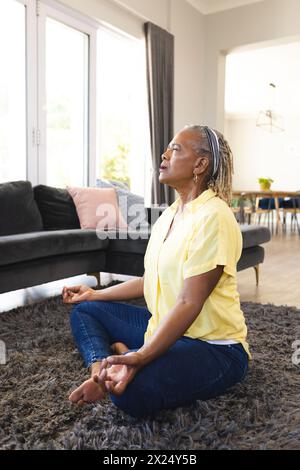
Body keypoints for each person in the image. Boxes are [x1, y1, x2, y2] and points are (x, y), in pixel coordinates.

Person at [62, 125, 250, 418]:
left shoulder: (215, 216)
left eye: (175, 149)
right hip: (162, 328)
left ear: (200, 164)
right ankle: (102, 368)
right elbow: (151, 280)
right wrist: (95, 293)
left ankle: (124, 359)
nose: (164, 154)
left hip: (213, 348)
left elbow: (190, 301)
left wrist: (140, 356)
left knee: (131, 393)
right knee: (87, 309)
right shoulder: (170, 215)